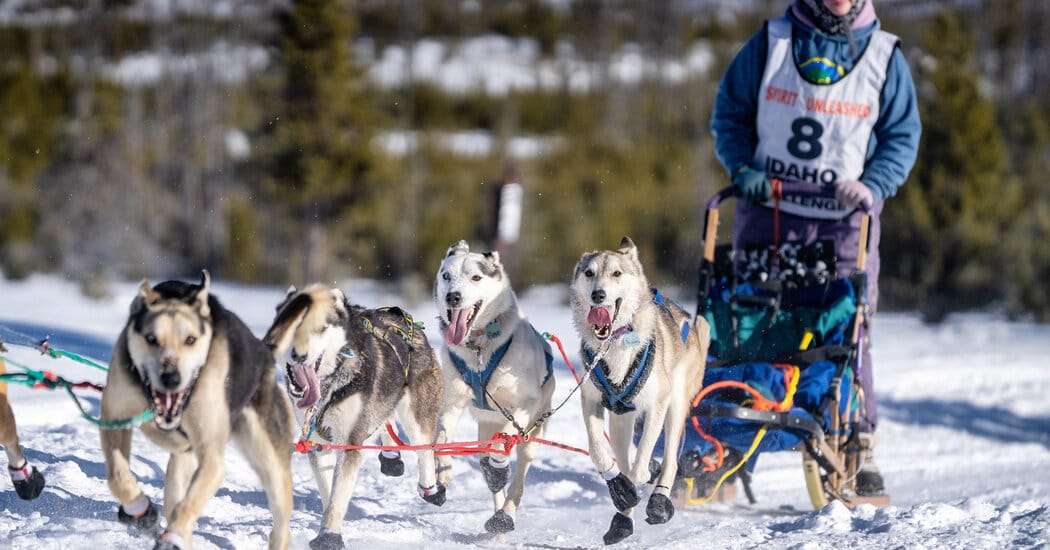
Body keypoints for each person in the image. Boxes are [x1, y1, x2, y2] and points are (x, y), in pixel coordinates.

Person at [710, 0, 921, 496]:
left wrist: (874, 184)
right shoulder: (772, 41)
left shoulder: (884, 56)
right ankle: (726, 431)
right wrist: (743, 171)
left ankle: (857, 441)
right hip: (770, 212)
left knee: (849, 323)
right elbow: (730, 115)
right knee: (751, 319)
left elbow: (901, 137)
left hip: (845, 221)